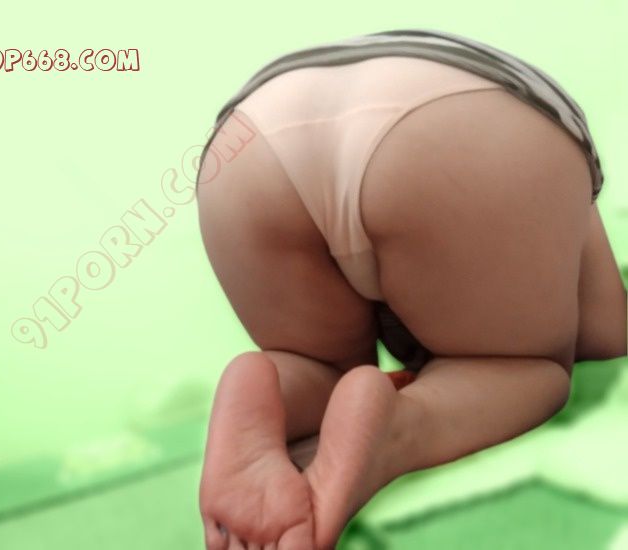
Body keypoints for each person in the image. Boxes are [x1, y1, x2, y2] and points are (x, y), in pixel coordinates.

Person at [194, 29, 628, 550]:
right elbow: (607, 333)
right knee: (526, 368)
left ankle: (266, 384)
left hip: (248, 141)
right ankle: (397, 428)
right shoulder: (561, 146)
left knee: (319, 366)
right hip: (464, 119)